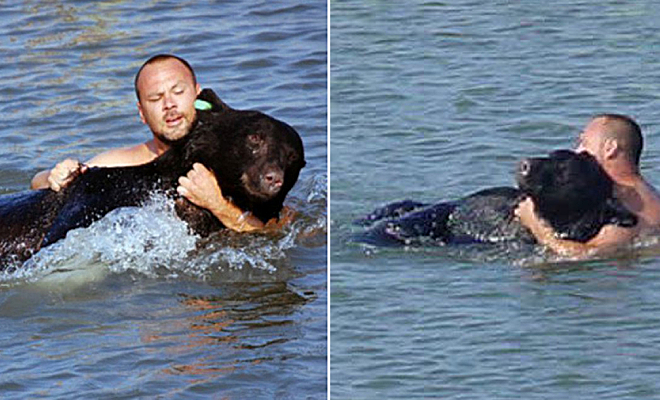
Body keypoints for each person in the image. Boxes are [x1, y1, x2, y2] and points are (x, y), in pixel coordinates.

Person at [30, 54, 269, 232]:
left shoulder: (233, 160)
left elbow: (283, 232)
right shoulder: (122, 163)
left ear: (197, 95)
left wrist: (217, 205)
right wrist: (55, 174)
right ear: (142, 113)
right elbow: (37, 185)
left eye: (178, 91)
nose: (169, 104)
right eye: (155, 98)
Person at [516, 113, 660, 257]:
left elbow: (585, 255)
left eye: (584, 144)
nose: (577, 152)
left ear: (611, 148)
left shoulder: (629, 204)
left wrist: (535, 224)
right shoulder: (645, 192)